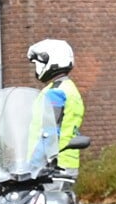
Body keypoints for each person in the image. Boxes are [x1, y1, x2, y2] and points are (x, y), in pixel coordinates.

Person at [28, 39, 85, 176]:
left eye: (37, 64)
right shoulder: (69, 88)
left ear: (51, 62)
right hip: (66, 162)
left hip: (51, 165)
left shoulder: (55, 92)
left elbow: (49, 131)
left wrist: (33, 164)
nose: (36, 69)